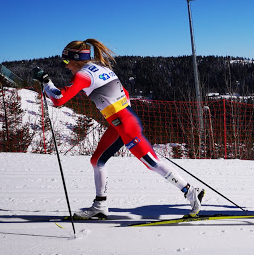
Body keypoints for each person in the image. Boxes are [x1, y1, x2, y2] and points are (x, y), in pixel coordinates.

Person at [32, 39, 204, 219]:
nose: (66, 67)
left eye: (66, 62)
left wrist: (46, 83)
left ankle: (191, 192)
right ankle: (99, 206)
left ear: (75, 60)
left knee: (152, 163)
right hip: (122, 124)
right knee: (97, 161)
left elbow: (59, 99)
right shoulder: (103, 69)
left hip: (126, 126)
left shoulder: (83, 75)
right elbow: (126, 95)